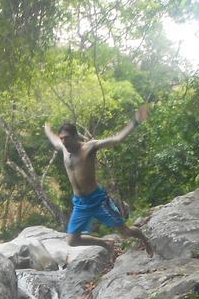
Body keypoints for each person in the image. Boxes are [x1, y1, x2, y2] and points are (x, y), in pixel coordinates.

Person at [44, 107, 155, 257]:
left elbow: (117, 139)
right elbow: (53, 139)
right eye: (62, 138)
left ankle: (144, 239)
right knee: (72, 240)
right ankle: (105, 243)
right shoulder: (63, 148)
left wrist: (135, 122)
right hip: (80, 203)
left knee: (125, 231)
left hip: (98, 199)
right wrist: (47, 128)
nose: (64, 142)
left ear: (75, 136)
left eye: (67, 138)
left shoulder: (89, 147)